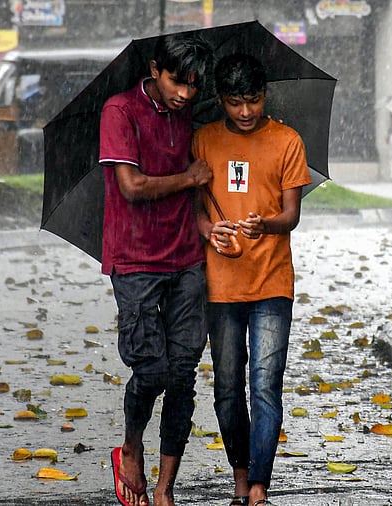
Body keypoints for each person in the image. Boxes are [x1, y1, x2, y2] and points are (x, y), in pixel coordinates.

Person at [98, 33, 214, 506]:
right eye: (176, 82)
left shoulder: (189, 113)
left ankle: (166, 487)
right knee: (151, 369)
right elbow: (131, 185)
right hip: (135, 259)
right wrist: (189, 177)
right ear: (154, 69)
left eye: (193, 85)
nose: (185, 94)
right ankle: (130, 447)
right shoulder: (119, 112)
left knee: (183, 372)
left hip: (186, 255)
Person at [193, 53, 312, 506]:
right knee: (227, 389)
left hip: (272, 283)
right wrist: (210, 229)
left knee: (265, 383)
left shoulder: (287, 141)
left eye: (255, 101)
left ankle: (259, 485)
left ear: (265, 95)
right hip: (220, 285)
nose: (246, 112)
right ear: (221, 99)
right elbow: (196, 209)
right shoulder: (202, 141)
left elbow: (292, 215)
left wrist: (268, 225)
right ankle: (240, 477)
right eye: (236, 103)